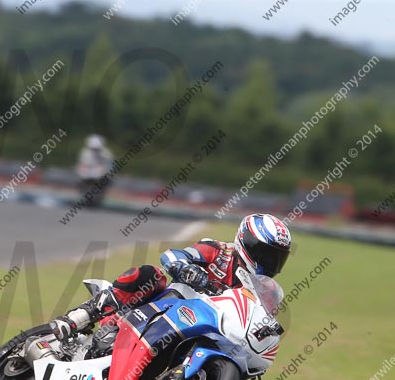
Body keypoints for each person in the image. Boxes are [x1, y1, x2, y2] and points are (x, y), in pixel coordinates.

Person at [50, 213, 292, 343]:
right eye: (266, 254)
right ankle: (79, 317)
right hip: (170, 307)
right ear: (245, 241)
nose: (270, 263)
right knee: (151, 275)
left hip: (205, 330)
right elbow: (173, 255)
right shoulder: (219, 250)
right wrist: (186, 268)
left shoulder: (262, 290)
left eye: (276, 258)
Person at [76, 134, 114, 206]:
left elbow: (108, 168)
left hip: (101, 176)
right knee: (79, 181)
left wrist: (102, 172)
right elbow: (81, 164)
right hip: (87, 175)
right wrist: (82, 171)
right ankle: (84, 194)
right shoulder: (85, 153)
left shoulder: (107, 154)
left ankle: (98, 196)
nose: (95, 150)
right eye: (93, 148)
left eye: (96, 149)